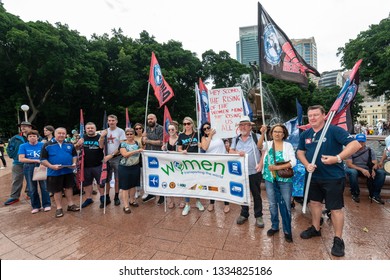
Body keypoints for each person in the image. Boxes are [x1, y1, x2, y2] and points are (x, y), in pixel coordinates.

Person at [297, 105, 361, 257]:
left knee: (335, 209)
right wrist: (307, 165)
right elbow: (300, 152)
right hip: (313, 176)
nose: (312, 118)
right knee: (314, 203)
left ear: (324, 115)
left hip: (333, 177)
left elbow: (355, 144)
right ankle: (315, 228)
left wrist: (337, 158)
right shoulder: (306, 133)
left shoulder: (333, 130)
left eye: (316, 115)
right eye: (310, 115)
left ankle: (338, 239)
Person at [258, 124, 296, 242]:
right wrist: (263, 133)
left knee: (286, 205)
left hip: (284, 179)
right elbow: (259, 146)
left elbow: (293, 162)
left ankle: (287, 230)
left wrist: (277, 168)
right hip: (269, 179)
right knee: (272, 204)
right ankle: (275, 226)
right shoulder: (268, 144)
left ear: (284, 134)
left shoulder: (288, 145)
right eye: (275, 131)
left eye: (280, 132)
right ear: (272, 133)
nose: (277, 134)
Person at [230, 116, 264, 228]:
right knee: (242, 194)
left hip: (254, 171)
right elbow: (231, 151)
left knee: (256, 194)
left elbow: (264, 152)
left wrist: (260, 164)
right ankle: (244, 214)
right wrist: (237, 153)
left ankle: (258, 215)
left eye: (245, 124)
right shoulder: (235, 139)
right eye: (241, 125)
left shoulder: (257, 137)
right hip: (240, 172)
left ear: (250, 127)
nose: (243, 127)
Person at [40, 127, 80, 218]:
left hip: (68, 171)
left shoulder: (69, 144)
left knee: (69, 188)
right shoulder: (47, 145)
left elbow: (74, 155)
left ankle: (71, 205)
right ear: (55, 134)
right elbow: (43, 159)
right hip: (54, 172)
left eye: (63, 133)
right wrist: (51, 166)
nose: (61, 135)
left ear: (65, 134)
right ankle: (59, 208)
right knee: (57, 190)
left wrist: (74, 162)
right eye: (59, 133)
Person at [345, 134, 385, 204]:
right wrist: (362, 170)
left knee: (381, 173)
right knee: (353, 172)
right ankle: (355, 194)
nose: (361, 143)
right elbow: (349, 164)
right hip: (354, 168)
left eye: (362, 142)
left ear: (365, 142)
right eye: (359, 142)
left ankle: (375, 195)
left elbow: (374, 163)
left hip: (366, 169)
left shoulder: (370, 151)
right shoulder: (350, 150)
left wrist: (372, 169)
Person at [18, 130, 51, 214]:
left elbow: (47, 155)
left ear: (37, 137)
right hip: (29, 167)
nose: (32, 138)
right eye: (30, 136)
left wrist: (43, 163)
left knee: (44, 186)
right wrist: (35, 160)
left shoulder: (42, 145)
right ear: (27, 138)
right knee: (32, 187)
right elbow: (21, 158)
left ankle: (46, 204)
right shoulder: (23, 146)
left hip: (41, 165)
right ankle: (36, 206)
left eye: (34, 136)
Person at [200, 122, 230, 213]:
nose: (207, 129)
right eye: (204, 129)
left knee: (224, 184)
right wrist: (209, 136)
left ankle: (226, 204)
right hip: (211, 166)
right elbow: (204, 148)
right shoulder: (204, 138)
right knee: (212, 184)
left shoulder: (219, 135)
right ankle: (211, 203)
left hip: (222, 164)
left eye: (208, 127)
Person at [177, 117, 204, 215]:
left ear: (192, 124)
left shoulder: (198, 134)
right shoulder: (181, 135)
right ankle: (187, 204)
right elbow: (178, 149)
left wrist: (200, 145)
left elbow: (203, 146)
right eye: (184, 124)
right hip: (186, 162)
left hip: (197, 162)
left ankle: (198, 201)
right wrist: (182, 151)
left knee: (197, 182)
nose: (186, 126)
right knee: (187, 182)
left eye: (188, 123)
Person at [74, 122, 105, 208]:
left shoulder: (100, 137)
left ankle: (102, 197)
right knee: (87, 183)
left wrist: (102, 139)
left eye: (92, 128)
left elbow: (102, 147)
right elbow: (76, 148)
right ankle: (88, 198)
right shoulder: (82, 137)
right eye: (88, 128)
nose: (90, 129)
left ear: (95, 128)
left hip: (98, 164)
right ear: (85, 129)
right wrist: (78, 144)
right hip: (85, 165)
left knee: (100, 182)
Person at [99, 114, 126, 207]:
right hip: (106, 158)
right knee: (106, 179)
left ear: (116, 121)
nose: (111, 122)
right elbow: (101, 146)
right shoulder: (105, 131)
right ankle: (107, 197)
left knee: (117, 179)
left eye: (113, 120)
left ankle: (116, 196)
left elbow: (122, 146)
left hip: (117, 157)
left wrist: (111, 155)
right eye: (109, 120)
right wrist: (102, 137)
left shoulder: (120, 131)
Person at [4, 121, 33, 205]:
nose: (23, 127)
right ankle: (14, 196)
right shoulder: (15, 138)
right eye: (21, 126)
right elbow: (9, 148)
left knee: (31, 179)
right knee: (16, 179)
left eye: (25, 126)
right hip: (18, 162)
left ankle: (30, 193)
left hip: (31, 161)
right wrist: (14, 156)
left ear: (30, 127)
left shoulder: (34, 136)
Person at [118, 128, 143, 214]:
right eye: (127, 134)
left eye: (131, 134)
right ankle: (126, 205)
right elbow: (125, 154)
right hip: (124, 168)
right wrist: (137, 150)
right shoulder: (123, 144)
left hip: (135, 167)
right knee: (125, 187)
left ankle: (132, 201)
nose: (129, 136)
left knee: (133, 185)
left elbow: (142, 150)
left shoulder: (136, 143)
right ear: (125, 135)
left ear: (133, 135)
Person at [142, 114, 164, 204]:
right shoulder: (146, 129)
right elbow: (143, 142)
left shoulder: (161, 128)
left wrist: (148, 141)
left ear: (155, 119)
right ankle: (151, 193)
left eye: (151, 118)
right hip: (148, 156)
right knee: (150, 175)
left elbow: (161, 142)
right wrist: (143, 138)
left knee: (160, 175)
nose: (150, 120)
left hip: (158, 156)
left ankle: (162, 195)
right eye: (148, 119)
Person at [162, 122, 179, 209]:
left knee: (181, 182)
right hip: (170, 165)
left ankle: (182, 201)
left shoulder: (180, 139)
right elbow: (165, 153)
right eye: (169, 130)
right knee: (170, 182)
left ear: (176, 130)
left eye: (172, 129)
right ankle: (172, 201)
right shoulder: (166, 140)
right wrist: (164, 149)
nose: (171, 131)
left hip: (179, 165)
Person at [133, 123, 145, 199]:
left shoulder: (145, 137)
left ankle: (145, 191)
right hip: (135, 157)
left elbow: (145, 147)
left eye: (140, 128)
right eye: (136, 129)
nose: (138, 130)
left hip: (143, 157)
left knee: (144, 175)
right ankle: (137, 191)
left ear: (142, 129)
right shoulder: (133, 137)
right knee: (136, 175)